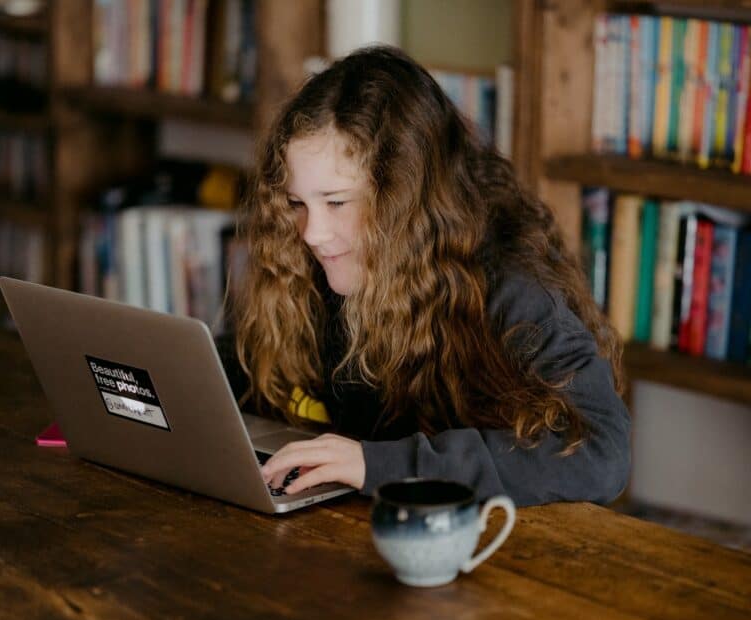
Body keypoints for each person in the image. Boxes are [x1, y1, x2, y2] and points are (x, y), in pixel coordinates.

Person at [216, 45, 630, 507]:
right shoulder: (316, 263)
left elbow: (601, 454)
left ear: (405, 200)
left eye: (337, 203)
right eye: (297, 203)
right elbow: (241, 366)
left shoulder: (512, 284)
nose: (313, 234)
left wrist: (380, 465)